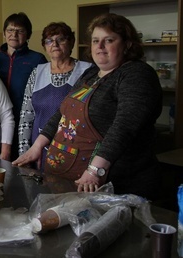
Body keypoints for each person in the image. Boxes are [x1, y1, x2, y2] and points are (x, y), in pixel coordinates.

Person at [13, 13, 162, 200]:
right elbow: (62, 113)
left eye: (108, 40)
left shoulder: (136, 74)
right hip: (74, 182)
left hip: (116, 185)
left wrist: (95, 170)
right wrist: (36, 148)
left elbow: (124, 126)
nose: (99, 47)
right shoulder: (91, 74)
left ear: (127, 44)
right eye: (95, 41)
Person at [18, 22, 91, 168]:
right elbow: (26, 116)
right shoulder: (37, 72)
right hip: (38, 150)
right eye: (49, 40)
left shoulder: (87, 71)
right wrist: (24, 152)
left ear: (71, 42)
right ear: (44, 46)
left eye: (61, 39)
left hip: (74, 151)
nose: (55, 44)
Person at [0, 12, 48, 161]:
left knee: (23, 162)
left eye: (20, 31)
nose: (14, 34)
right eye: (10, 30)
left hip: (26, 123)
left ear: (28, 35)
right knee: (0, 162)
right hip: (0, 122)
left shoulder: (37, 59)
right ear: (4, 33)